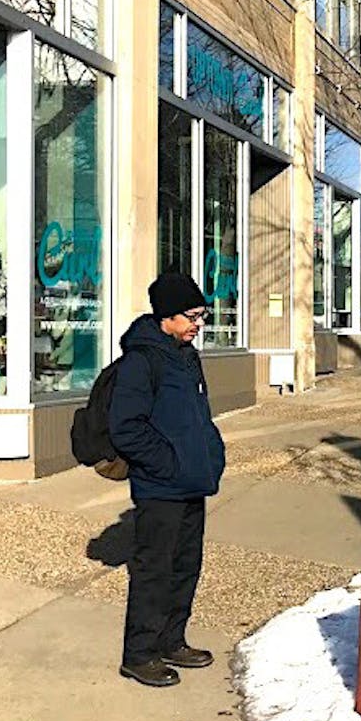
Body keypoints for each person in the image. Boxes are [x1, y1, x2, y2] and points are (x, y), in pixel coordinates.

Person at [109, 273, 226, 687]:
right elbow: (125, 427)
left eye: (201, 315)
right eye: (191, 315)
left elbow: (197, 416)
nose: (198, 323)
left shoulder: (187, 355)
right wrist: (169, 464)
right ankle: (139, 654)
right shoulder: (142, 360)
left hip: (192, 481)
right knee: (153, 570)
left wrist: (212, 452)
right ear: (166, 316)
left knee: (185, 566)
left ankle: (171, 640)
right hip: (161, 487)